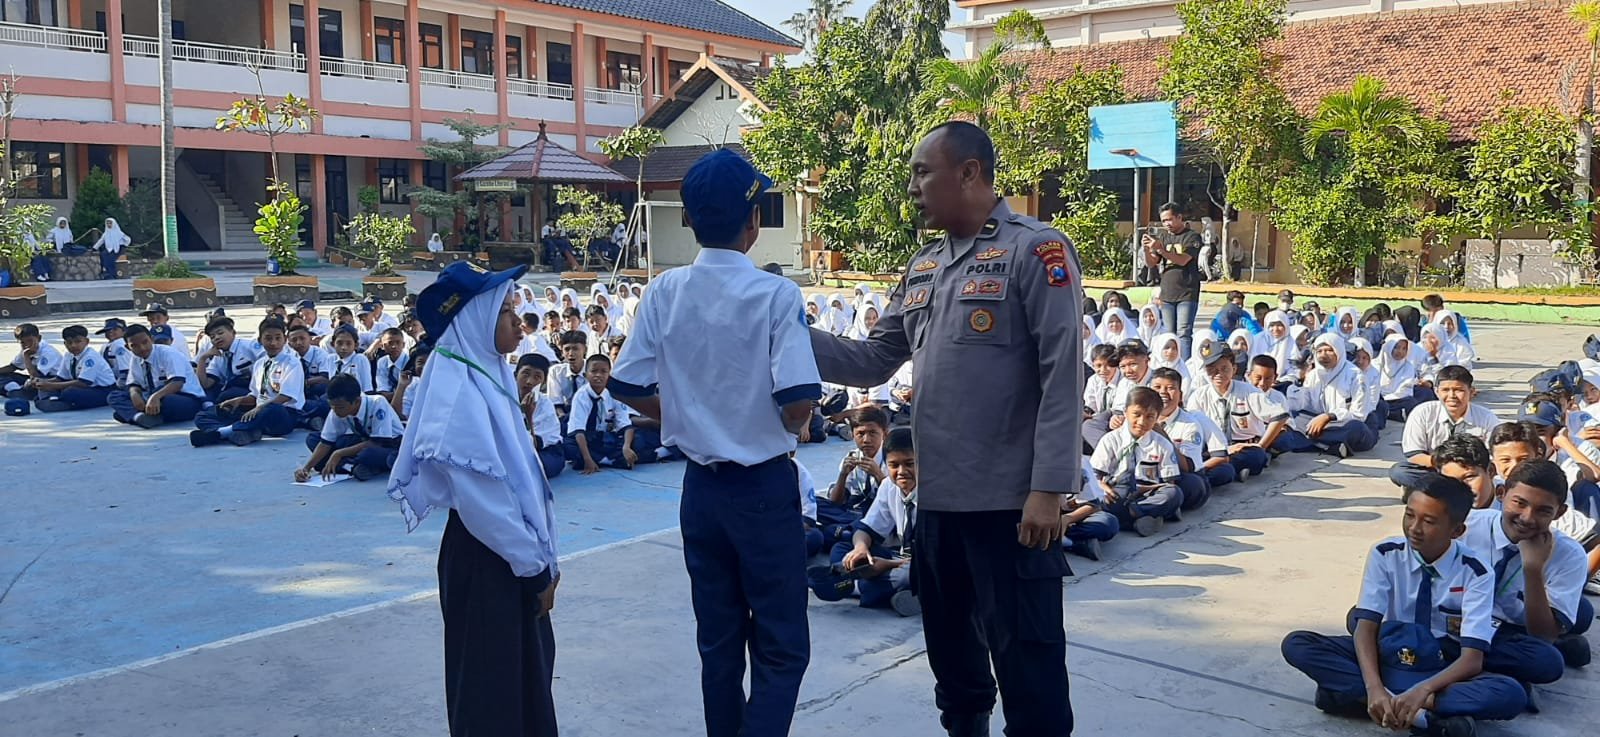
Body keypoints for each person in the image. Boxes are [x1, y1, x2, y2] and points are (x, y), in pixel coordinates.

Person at [807, 122, 1079, 737]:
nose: (914, 187)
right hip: (936, 504)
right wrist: (786, 332)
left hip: (1009, 505)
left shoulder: (1036, 251)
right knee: (955, 669)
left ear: (970, 174)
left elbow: (1062, 376)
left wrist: (1048, 488)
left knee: (1028, 667)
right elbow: (874, 359)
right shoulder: (924, 265)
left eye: (923, 172)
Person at [608, 148, 821, 737]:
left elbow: (625, 382)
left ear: (689, 219)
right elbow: (798, 400)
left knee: (719, 646)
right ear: (753, 222)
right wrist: (787, 425)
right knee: (781, 647)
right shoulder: (776, 296)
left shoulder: (663, 291)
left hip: (699, 490)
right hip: (762, 487)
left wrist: (681, 415)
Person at [386, 261, 560, 736]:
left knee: (521, 682)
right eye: (506, 313)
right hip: (488, 558)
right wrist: (534, 568)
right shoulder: (457, 391)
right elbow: (485, 502)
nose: (518, 326)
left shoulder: (489, 372)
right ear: (478, 319)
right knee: (490, 694)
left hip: (510, 555)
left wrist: (543, 559)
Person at [1280, 473, 1527, 734]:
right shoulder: (1385, 553)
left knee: (1510, 694)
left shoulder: (1476, 572)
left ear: (1457, 530)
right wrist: (1374, 688)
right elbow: (1366, 626)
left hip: (1439, 664)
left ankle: (1356, 699)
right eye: (1410, 515)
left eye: (1429, 521)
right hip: (1389, 652)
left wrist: (1424, 690)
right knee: (1298, 644)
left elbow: (1472, 660)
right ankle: (1422, 718)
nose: (1414, 528)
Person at [1461, 460, 1594, 681]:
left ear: (1559, 512)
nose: (1527, 517)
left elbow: (1542, 635)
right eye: (1519, 503)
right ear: (1501, 493)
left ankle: (1472, 666)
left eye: (1543, 511)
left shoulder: (1570, 555)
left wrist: (1532, 569)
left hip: (1509, 630)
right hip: (1456, 619)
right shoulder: (1467, 527)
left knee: (1547, 662)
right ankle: (1486, 671)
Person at [808, 426, 921, 617]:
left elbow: (941, 555)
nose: (901, 472)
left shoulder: (937, 493)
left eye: (909, 464)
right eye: (894, 465)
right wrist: (860, 548)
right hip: (899, 556)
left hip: (929, 563)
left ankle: (852, 585)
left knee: (908, 574)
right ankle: (898, 593)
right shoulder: (889, 486)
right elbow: (866, 528)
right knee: (844, 547)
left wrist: (888, 565)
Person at [191, 318, 305, 448]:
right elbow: (256, 395)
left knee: (274, 409)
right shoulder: (260, 364)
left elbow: (285, 397)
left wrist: (259, 408)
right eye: (268, 338)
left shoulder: (292, 363)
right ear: (260, 340)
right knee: (205, 414)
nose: (273, 343)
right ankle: (246, 431)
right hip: (257, 411)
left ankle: (221, 433)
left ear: (285, 340)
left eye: (278, 338)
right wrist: (238, 401)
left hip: (283, 415)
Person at [1090, 386, 1184, 536]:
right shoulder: (1110, 440)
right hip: (1117, 492)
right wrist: (1104, 488)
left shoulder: (1162, 444)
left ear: (1157, 417)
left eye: (1149, 417)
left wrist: (1141, 490)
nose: (1141, 422)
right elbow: (1095, 477)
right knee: (1102, 502)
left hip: (1146, 495)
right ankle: (1146, 518)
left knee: (1174, 494)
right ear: (1126, 412)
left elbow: (1169, 483)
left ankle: (1133, 515)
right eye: (1137, 414)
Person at [1391, 366, 1502, 490]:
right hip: (1435, 469)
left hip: (1469, 473)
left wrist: (1463, 470)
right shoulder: (1422, 412)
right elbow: (1414, 455)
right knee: (1400, 471)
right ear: (1436, 391)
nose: (1452, 396)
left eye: (1458, 390)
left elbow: (1495, 457)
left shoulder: (1486, 418)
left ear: (1471, 392)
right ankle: (1449, 490)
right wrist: (1448, 467)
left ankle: (1431, 491)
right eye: (1445, 390)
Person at [1276, 334, 1378, 458]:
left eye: (1329, 350)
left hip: (1343, 424)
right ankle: (1330, 446)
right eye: (1319, 351)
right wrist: (1300, 381)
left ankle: (1308, 442)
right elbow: (1299, 406)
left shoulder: (1356, 376)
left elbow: (1358, 415)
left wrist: (1329, 416)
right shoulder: (1313, 375)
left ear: (1338, 351)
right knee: (1291, 419)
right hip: (1317, 423)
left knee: (1356, 428)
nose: (1323, 355)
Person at [1187, 347, 1280, 482]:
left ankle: (1212, 470)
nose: (1218, 374)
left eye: (1224, 368)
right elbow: (1194, 430)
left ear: (1234, 369)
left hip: (1243, 447)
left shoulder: (1249, 391)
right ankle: (1228, 470)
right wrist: (1221, 451)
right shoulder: (1198, 396)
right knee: (1216, 466)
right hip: (1213, 450)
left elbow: (1279, 416)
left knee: (1257, 455)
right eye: (1212, 369)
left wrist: (1262, 445)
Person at [296, 374, 404, 481]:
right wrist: (306, 468)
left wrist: (338, 454)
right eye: (331, 406)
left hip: (388, 444)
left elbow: (377, 442)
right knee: (313, 439)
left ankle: (346, 464)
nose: (335, 410)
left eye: (340, 407)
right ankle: (353, 467)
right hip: (361, 440)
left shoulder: (377, 403)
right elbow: (326, 442)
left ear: (356, 401)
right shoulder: (337, 408)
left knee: (368, 455)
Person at [1151, 366, 1234, 505]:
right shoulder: (1140, 418)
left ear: (1180, 395)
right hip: (1147, 474)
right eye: (1157, 387)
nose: (1163, 393)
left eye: (1170, 388)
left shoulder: (1190, 423)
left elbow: (1187, 467)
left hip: (1178, 474)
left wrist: (1160, 433)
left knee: (1193, 485)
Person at [108, 324, 206, 427]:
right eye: (134, 346)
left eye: (145, 342)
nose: (142, 348)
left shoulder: (168, 353)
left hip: (183, 398)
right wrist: (135, 394)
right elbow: (134, 383)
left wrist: (155, 397)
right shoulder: (136, 357)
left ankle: (135, 415)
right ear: (128, 347)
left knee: (166, 401)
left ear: (152, 339)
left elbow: (177, 383)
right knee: (114, 396)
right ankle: (139, 417)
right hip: (152, 396)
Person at [564, 354, 647, 473]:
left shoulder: (614, 393)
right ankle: (607, 460)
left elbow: (625, 425)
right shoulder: (581, 396)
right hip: (587, 438)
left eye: (603, 371)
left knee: (638, 440)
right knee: (569, 446)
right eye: (594, 371)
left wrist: (626, 447)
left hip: (606, 438)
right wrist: (587, 459)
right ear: (586, 375)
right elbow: (578, 431)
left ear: (609, 375)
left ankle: (604, 459)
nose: (598, 375)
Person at [1142, 201, 1203, 359]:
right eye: (1163, 221)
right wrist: (1148, 249)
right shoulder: (1162, 237)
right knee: (1169, 333)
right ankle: (1170, 364)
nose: (1166, 224)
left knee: (1183, 333)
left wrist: (1160, 248)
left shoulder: (1192, 237)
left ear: (1179, 217)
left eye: (1169, 219)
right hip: (1167, 293)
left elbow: (1183, 260)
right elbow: (1151, 263)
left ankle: (1186, 364)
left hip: (1187, 292)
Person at [26, 325, 116, 412]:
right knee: (45, 383)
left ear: (86, 341)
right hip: (82, 387)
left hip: (102, 390)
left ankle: (59, 403)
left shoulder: (91, 357)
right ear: (65, 344)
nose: (73, 345)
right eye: (69, 342)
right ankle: (54, 400)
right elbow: (60, 378)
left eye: (78, 341)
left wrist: (51, 386)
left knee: (70, 392)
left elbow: (83, 383)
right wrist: (42, 382)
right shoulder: (68, 355)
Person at [515, 353, 566, 479]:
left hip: (542, 450)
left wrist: (529, 415)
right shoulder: (503, 399)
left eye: (537, 377)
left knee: (540, 465)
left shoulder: (545, 404)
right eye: (525, 374)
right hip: (513, 448)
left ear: (543, 383)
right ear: (516, 375)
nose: (529, 381)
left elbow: (534, 445)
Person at [1061, 457, 1118, 561]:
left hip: (1074, 516)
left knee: (1108, 523)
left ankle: (1058, 537)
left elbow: (1093, 505)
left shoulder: (1079, 461)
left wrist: (1066, 519)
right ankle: (1072, 544)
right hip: (1041, 516)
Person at [196, 316, 264, 402]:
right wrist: (202, 359)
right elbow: (205, 384)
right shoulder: (218, 357)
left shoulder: (250, 346)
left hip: (253, 390)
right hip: (230, 391)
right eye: (212, 337)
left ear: (233, 332)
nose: (216, 338)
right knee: (201, 394)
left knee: (226, 395)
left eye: (220, 333)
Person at [1432, 434, 1496, 510]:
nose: (1461, 488)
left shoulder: (1511, 504)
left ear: (1490, 471)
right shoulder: (1437, 510)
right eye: (1451, 481)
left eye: (1469, 477)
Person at [0, 323, 64, 398]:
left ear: (39, 338)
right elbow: (13, 367)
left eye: (30, 341)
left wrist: (26, 357)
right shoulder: (26, 349)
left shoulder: (48, 352)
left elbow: (36, 376)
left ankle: (19, 392)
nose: (27, 345)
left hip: (52, 379)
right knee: (4, 375)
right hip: (34, 379)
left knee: (38, 384)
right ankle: (17, 390)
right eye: (22, 342)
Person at [322, 326, 373, 394]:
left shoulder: (360, 359)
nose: (343, 347)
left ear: (356, 345)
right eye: (339, 343)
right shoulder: (330, 359)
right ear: (332, 344)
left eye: (348, 343)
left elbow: (367, 388)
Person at [95, 317, 132, 385]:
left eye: (115, 329)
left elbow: (125, 370)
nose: (110, 332)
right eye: (107, 330)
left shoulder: (120, 345)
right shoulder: (106, 346)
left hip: (118, 382)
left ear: (124, 331)